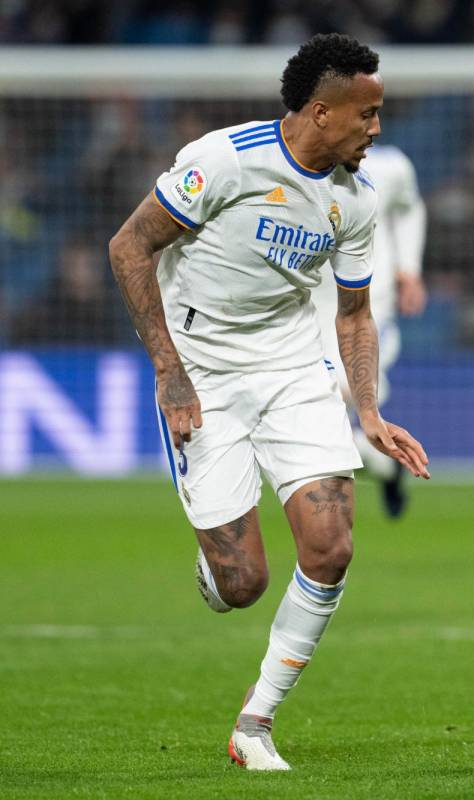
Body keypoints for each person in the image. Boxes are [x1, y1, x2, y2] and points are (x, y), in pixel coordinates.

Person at [107, 34, 430, 771]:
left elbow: (352, 315)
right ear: (321, 112)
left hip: (291, 369)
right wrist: (168, 371)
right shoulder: (225, 161)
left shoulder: (356, 200)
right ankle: (219, 571)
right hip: (202, 374)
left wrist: (369, 413)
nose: (376, 131)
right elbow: (129, 247)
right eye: (367, 115)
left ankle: (255, 723)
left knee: (332, 545)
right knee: (243, 583)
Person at [312, 143, 427, 519]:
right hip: (311, 306)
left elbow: (410, 209)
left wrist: (409, 268)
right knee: (320, 427)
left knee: (334, 403)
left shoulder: (392, 166)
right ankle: (387, 467)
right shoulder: (298, 165)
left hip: (369, 306)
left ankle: (327, 535)